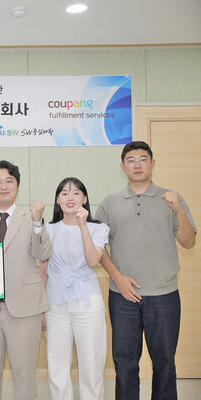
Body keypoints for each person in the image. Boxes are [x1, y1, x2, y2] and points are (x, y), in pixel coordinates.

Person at [96, 141, 196, 400]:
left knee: (165, 362)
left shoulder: (171, 198)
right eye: (131, 160)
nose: (137, 164)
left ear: (153, 163)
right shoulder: (109, 203)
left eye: (143, 159)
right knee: (125, 363)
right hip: (122, 295)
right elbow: (98, 249)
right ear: (122, 166)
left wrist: (178, 209)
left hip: (164, 295)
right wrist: (117, 278)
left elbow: (188, 242)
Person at [0, 160, 51, 400]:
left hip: (25, 308)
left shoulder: (31, 217)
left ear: (17, 185)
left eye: (9, 181)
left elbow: (43, 253)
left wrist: (38, 223)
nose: (3, 186)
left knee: (25, 373)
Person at [39, 177, 109, 400]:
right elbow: (43, 271)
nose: (70, 197)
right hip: (55, 305)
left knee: (91, 365)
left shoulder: (98, 228)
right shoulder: (48, 229)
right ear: (58, 200)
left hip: (87, 304)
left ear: (85, 199)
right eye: (65, 193)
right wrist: (41, 309)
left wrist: (82, 226)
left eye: (76, 192)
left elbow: (92, 261)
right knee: (57, 365)